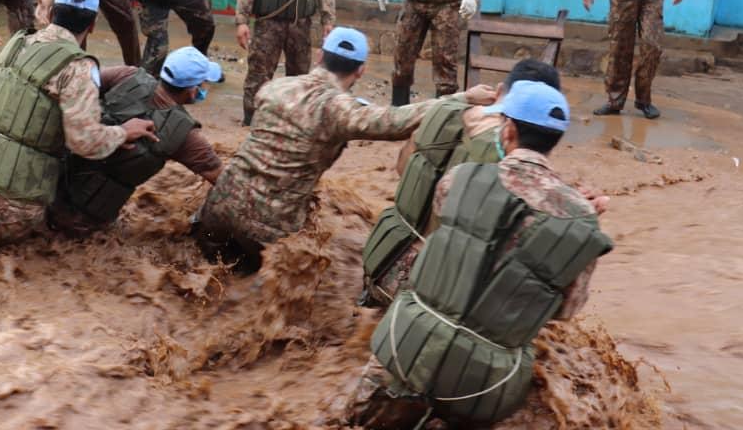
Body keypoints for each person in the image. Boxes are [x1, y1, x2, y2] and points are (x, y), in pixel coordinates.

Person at [341, 81, 613, 429]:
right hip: (484, 385)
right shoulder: (582, 221)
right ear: (555, 141)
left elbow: (444, 239)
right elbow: (565, 311)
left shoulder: (459, 178)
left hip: (406, 344)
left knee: (351, 423)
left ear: (508, 129)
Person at [193, 26, 496, 273]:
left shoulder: (273, 88)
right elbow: (396, 121)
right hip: (267, 229)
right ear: (361, 71)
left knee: (202, 273)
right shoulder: (339, 110)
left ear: (319, 56)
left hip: (217, 208)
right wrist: (462, 98)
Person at [0, 0, 158, 277]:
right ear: (92, 25)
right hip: (12, 205)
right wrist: (123, 131)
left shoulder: (17, 44)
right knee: (26, 284)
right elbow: (85, 141)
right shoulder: (78, 67)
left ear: (50, 14)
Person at [359, 59, 607, 308]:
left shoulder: (443, 111)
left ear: (499, 90)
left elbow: (403, 168)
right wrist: (572, 216)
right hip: (431, 291)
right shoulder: (515, 164)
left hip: (384, 264)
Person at [52, 45, 224, 236]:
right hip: (87, 222)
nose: (205, 88)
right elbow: (225, 182)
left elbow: (69, 86)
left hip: (50, 189)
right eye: (204, 83)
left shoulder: (126, 76)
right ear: (193, 91)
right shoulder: (187, 137)